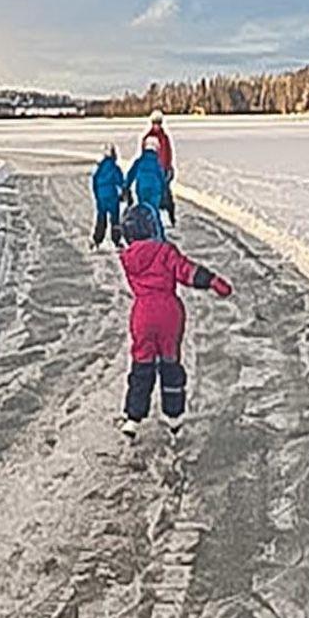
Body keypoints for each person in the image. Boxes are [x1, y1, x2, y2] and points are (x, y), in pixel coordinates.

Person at [116, 202, 233, 436]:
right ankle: (173, 415)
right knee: (170, 362)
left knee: (142, 364)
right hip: (169, 312)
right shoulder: (165, 252)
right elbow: (186, 271)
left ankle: (133, 417)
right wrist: (212, 281)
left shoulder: (127, 259)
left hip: (142, 313)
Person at [124, 135, 170, 231]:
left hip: (142, 189)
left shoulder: (139, 161)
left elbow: (130, 175)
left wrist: (126, 186)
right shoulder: (157, 163)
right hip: (155, 190)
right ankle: (157, 233)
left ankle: (144, 230)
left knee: (144, 210)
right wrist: (165, 194)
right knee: (154, 211)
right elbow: (162, 179)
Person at [90, 144, 126, 246]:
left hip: (101, 197)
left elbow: (94, 181)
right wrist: (124, 192)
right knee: (115, 218)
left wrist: (97, 195)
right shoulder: (115, 168)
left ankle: (97, 239)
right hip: (112, 196)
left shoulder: (99, 168)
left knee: (101, 217)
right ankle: (116, 239)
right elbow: (120, 181)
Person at [147, 110, 178, 222]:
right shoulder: (148, 138)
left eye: (159, 123)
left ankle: (171, 217)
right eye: (155, 123)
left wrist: (169, 167)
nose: (157, 125)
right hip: (153, 170)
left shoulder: (165, 138)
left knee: (166, 193)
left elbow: (168, 153)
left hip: (163, 168)